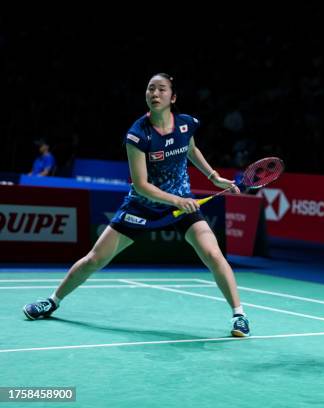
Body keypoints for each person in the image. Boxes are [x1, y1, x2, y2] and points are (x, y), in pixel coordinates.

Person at [23, 73, 251, 338]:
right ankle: (52, 301)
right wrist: (178, 200)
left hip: (181, 205)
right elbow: (141, 184)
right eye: (150, 89)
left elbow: (191, 150)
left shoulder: (186, 125)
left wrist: (214, 178)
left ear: (172, 97)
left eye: (161, 89)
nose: (154, 93)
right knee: (94, 259)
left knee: (213, 255)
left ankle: (239, 315)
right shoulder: (138, 134)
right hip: (143, 206)